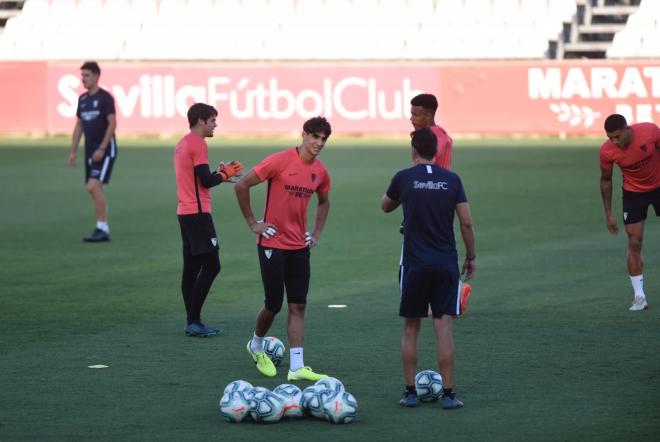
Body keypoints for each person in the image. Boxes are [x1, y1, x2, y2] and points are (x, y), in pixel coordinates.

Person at [381, 127, 476, 409]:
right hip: (445, 262)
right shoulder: (452, 180)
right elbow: (466, 222)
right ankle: (448, 395)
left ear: (413, 151)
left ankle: (410, 392)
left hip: (415, 264)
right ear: (436, 151)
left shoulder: (403, 178)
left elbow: (385, 206)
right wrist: (471, 256)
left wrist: (405, 196)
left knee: (411, 327)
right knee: (443, 327)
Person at [235, 117, 332, 381]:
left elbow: (324, 202)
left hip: (299, 246)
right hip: (272, 244)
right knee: (274, 304)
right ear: (304, 135)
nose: (319, 143)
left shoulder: (320, 172)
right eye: (315, 137)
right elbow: (242, 184)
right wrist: (253, 223)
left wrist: (317, 233)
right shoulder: (279, 161)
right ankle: (256, 345)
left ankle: (296, 367)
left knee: (298, 305)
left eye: (324, 139)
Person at [174, 103, 243, 337]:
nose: (215, 124)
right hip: (198, 214)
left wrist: (219, 174)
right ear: (201, 121)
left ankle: (192, 320)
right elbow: (205, 181)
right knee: (213, 265)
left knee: (191, 268)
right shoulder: (198, 144)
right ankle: (193, 320)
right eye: (213, 120)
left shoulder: (183, 143)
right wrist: (227, 173)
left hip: (185, 212)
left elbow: (198, 177)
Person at [409, 93, 472, 313]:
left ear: (428, 115)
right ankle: (446, 294)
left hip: (431, 200)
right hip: (439, 199)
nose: (411, 118)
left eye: (416, 114)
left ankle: (454, 294)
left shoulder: (429, 139)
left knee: (427, 251)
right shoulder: (441, 134)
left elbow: (424, 169)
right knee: (439, 249)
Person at [599, 114, 659, 311]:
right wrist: (608, 213)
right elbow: (606, 181)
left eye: (617, 136)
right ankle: (639, 297)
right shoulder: (607, 151)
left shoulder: (650, 131)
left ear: (627, 129)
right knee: (634, 240)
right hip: (634, 193)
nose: (614, 141)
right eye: (610, 138)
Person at [68, 61, 118, 242]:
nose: (84, 79)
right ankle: (101, 226)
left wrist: (103, 148)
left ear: (97, 76)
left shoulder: (105, 98)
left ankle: (102, 228)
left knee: (93, 185)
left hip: (105, 149)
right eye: (82, 76)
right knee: (95, 188)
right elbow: (79, 125)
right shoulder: (83, 99)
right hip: (90, 151)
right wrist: (73, 151)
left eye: (87, 75)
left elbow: (112, 123)